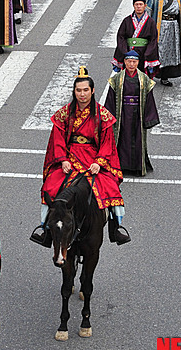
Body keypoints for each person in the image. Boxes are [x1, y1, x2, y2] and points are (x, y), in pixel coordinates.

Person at [30, 68, 130, 247]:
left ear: (92, 91)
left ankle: (116, 228)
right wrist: (62, 159)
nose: (82, 94)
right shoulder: (64, 114)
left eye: (85, 90)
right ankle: (45, 228)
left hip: (93, 158)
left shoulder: (103, 116)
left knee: (110, 187)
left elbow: (108, 143)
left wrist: (99, 163)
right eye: (78, 90)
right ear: (74, 91)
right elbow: (57, 140)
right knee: (51, 186)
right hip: (70, 157)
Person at [105, 51, 160, 176]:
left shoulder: (144, 79)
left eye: (134, 62)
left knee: (138, 140)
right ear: (124, 62)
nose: (131, 64)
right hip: (122, 113)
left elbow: (149, 99)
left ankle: (137, 167)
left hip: (137, 114)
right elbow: (110, 98)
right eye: (129, 61)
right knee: (121, 139)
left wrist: (148, 118)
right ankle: (120, 166)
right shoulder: (117, 79)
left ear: (138, 63)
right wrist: (108, 117)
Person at [147, 0, 181, 86]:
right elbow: (148, 11)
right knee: (159, 50)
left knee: (171, 51)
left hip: (173, 28)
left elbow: (180, 12)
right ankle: (152, 74)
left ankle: (165, 76)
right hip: (162, 26)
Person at [112, 0, 159, 75]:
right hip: (129, 51)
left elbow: (153, 39)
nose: (139, 7)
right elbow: (121, 37)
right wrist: (125, 51)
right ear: (133, 6)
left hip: (143, 51)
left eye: (141, 4)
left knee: (143, 76)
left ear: (145, 6)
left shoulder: (150, 22)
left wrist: (148, 53)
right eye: (136, 5)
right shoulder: (127, 20)